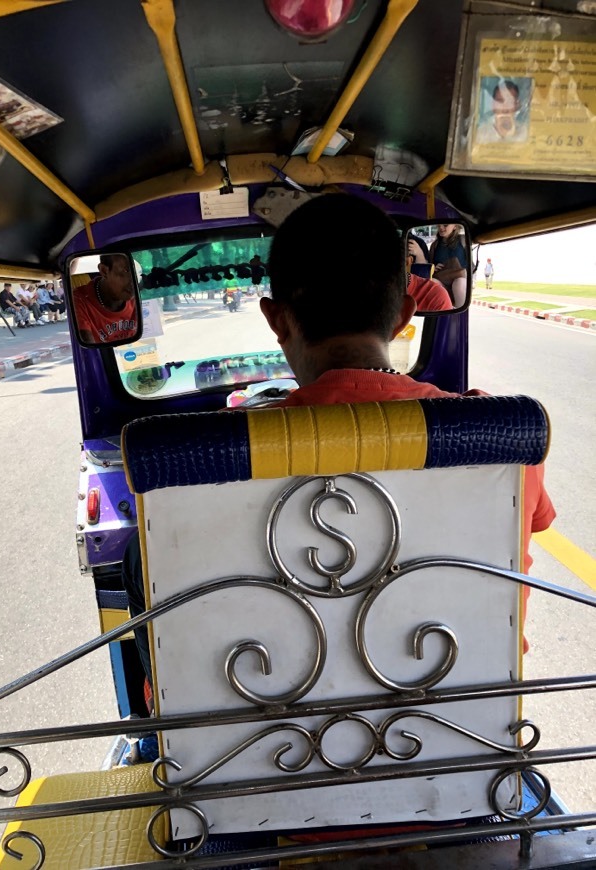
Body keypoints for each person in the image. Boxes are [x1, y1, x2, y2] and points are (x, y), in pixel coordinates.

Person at [123, 193, 555, 688]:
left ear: (276, 319)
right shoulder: (502, 436)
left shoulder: (210, 457)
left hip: (243, 753)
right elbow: (531, 529)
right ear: (403, 316)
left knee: (140, 555)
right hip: (473, 729)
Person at [73, 254, 137, 343]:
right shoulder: (79, 299)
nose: (135, 280)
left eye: (137, 272)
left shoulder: (139, 295)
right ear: (104, 271)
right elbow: (89, 349)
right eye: (126, 271)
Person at [476, 79, 528, 144]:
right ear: (493, 105)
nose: (505, 108)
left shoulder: (525, 133)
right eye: (500, 101)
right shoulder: (480, 134)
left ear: (517, 106)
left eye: (510, 102)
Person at [429, 224, 467, 307]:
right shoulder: (435, 245)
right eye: (439, 225)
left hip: (460, 281)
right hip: (442, 281)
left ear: (455, 226)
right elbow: (429, 267)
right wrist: (434, 267)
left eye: (445, 225)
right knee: (432, 282)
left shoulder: (463, 240)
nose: (441, 227)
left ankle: (459, 313)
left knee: (459, 283)